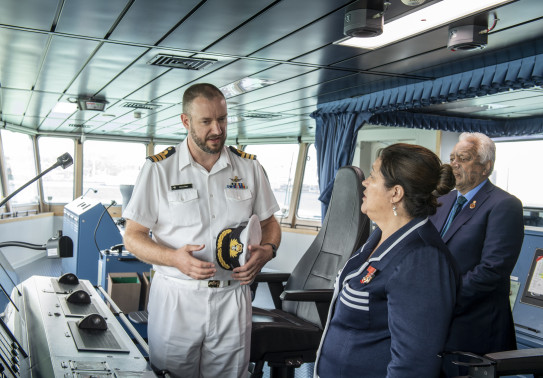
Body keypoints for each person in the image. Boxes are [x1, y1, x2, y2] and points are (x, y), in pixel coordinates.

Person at [122, 83, 281, 378]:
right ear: (186, 121)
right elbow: (132, 237)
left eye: (222, 119)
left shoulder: (249, 168)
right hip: (177, 299)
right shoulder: (159, 169)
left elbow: (271, 223)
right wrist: (174, 258)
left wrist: (268, 251)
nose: (217, 130)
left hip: (233, 298)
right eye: (206, 121)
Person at [314, 143, 459, 378]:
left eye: (372, 175)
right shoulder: (380, 238)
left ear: (396, 193)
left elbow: (415, 362)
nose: (365, 182)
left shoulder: (422, 259)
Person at [429, 132, 524, 375]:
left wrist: (443, 297)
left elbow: (492, 269)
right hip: (437, 326)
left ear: (486, 167)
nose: (454, 164)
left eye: (463, 158)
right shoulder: (441, 200)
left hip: (475, 329)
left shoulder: (503, 205)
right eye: (452, 158)